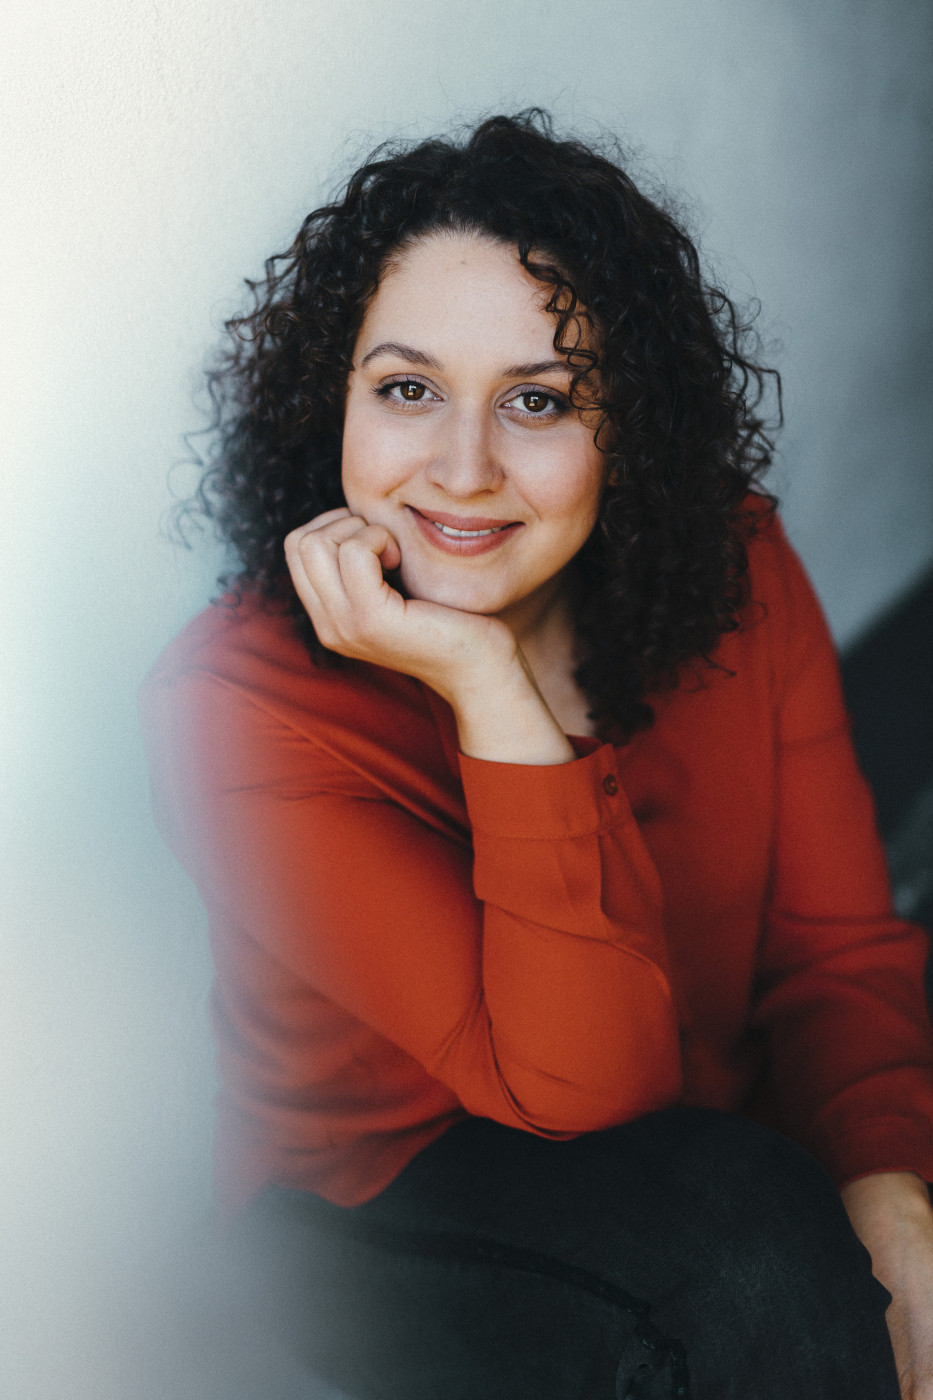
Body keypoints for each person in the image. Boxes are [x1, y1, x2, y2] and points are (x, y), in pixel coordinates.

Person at [140, 111, 933, 1398]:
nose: (463, 470)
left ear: (627, 428)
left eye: (538, 399)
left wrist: (890, 1184)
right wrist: (487, 681)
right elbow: (585, 1085)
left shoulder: (733, 568)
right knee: (746, 1247)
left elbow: (834, 951)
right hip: (381, 1204)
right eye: (408, 389)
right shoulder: (232, 704)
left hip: (713, 1136)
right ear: (333, 401)